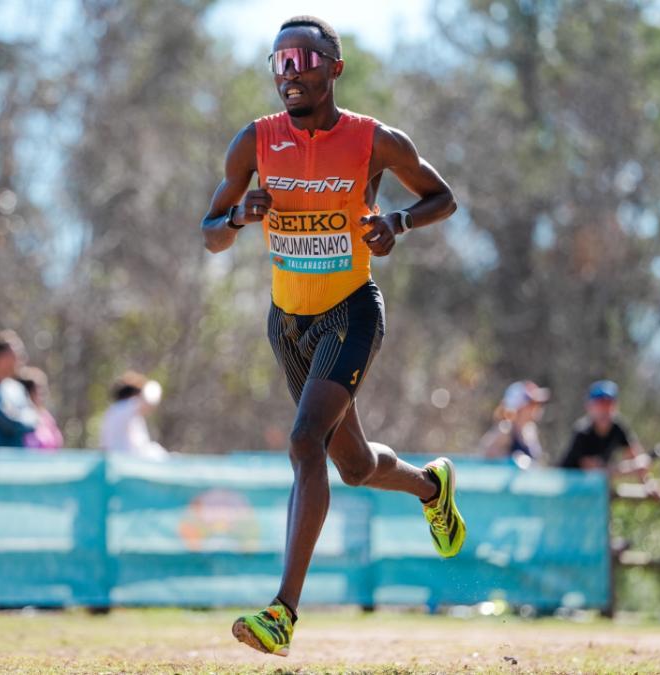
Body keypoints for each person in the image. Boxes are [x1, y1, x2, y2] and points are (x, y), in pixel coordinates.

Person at [199, 15, 464, 656]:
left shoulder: (374, 140)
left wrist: (397, 223)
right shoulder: (255, 141)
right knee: (354, 465)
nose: (291, 74)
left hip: (350, 312)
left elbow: (443, 198)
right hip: (287, 322)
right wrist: (236, 218)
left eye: (305, 60)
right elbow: (209, 233)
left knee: (303, 441)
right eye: (281, 62)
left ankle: (282, 613)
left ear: (334, 68)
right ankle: (432, 487)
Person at [560, 380, 660, 493]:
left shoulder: (619, 428)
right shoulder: (582, 432)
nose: (605, 410)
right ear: (589, 407)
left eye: (609, 404)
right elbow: (594, 472)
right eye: (600, 404)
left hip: (593, 491)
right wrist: (631, 467)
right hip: (568, 489)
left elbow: (637, 458)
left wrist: (648, 483)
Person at [478, 381, 550, 468]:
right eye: (532, 404)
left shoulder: (530, 431)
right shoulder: (504, 431)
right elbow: (486, 463)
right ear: (519, 407)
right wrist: (511, 462)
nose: (538, 408)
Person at [99, 371, 168, 461]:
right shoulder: (124, 407)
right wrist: (150, 386)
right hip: (124, 461)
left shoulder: (113, 410)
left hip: (116, 460)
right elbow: (149, 401)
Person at [19, 367, 63, 452]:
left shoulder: (47, 417)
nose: (42, 393)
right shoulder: (19, 418)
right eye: (37, 389)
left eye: (43, 388)